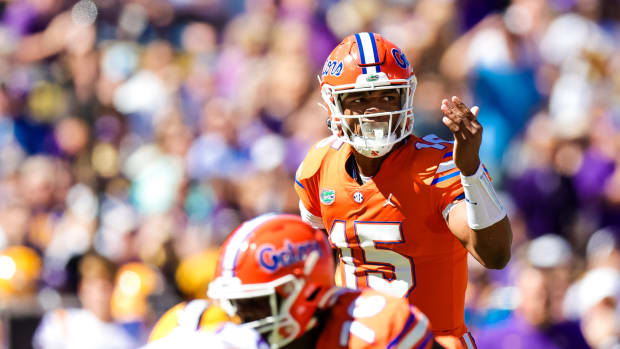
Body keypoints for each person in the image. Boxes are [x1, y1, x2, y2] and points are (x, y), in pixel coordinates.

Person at [294, 32, 512, 345]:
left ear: (405, 97)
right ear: (334, 103)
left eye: (387, 96)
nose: (376, 111)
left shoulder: (438, 165)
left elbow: (495, 254)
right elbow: (311, 266)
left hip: (431, 341)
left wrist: (471, 171)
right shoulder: (318, 165)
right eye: (360, 99)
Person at [207, 213, 446, 349]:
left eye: (255, 304)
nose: (243, 320)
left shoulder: (369, 331)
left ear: (305, 292)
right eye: (238, 306)